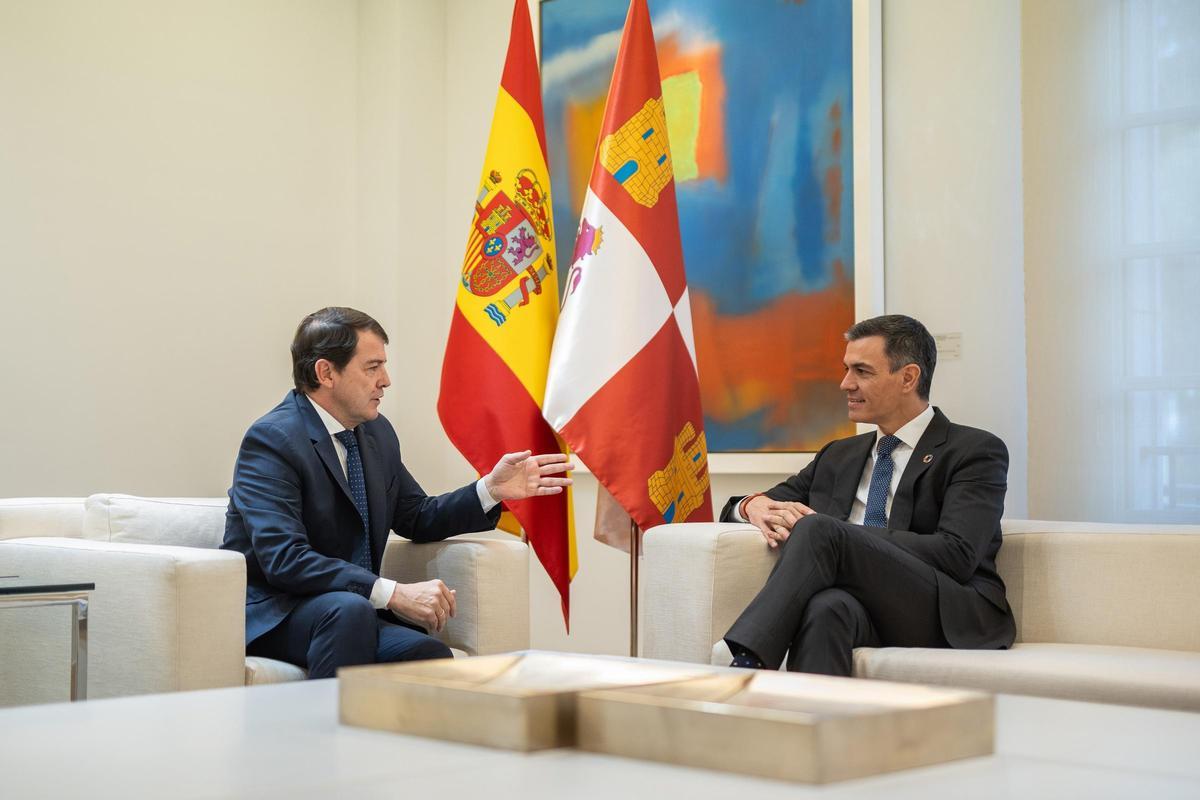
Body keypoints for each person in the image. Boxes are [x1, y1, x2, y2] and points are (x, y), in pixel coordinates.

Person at [221, 307, 572, 678]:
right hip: (276, 611)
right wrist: (393, 593)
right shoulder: (273, 439)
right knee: (350, 611)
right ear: (326, 373)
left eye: (383, 366)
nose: (385, 380)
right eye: (372, 367)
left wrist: (490, 489)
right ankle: (323, 736)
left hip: (344, 609)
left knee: (427, 653)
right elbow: (285, 559)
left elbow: (416, 516)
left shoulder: (375, 433)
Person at [723, 314, 1014, 675]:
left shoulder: (974, 450)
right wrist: (751, 505)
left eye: (862, 371)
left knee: (819, 529)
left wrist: (844, 539)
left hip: (944, 607)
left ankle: (746, 665)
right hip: (863, 605)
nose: (846, 384)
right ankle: (813, 724)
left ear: (908, 377)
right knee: (826, 608)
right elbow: (768, 501)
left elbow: (957, 555)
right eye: (846, 369)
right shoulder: (838, 456)